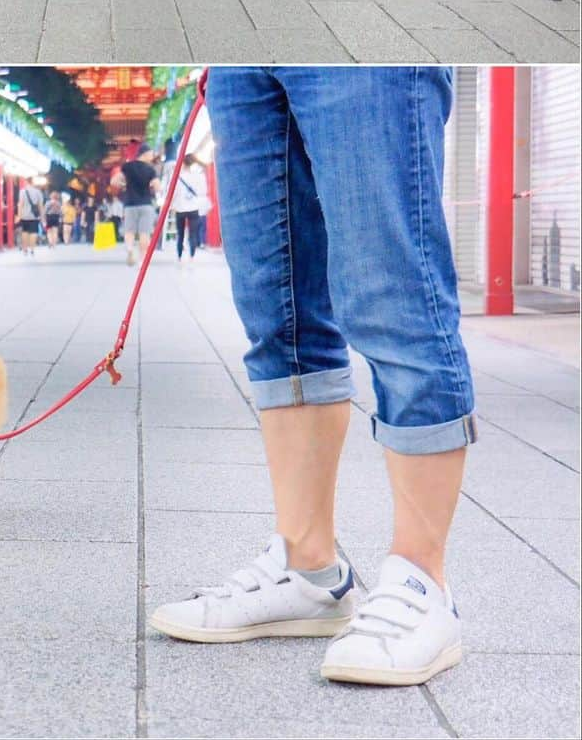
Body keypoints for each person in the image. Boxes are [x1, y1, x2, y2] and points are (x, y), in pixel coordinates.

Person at [151, 66, 476, 689]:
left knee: (395, 297)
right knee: (278, 313)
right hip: (241, 63)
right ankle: (309, 569)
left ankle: (422, 580)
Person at [115, 144, 158, 266]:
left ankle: (129, 248)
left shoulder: (127, 167)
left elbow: (115, 181)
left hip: (130, 203)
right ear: (145, 154)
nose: (152, 156)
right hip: (146, 204)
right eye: (151, 153)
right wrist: (152, 188)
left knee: (129, 231)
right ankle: (142, 260)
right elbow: (157, 186)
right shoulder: (150, 170)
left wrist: (124, 185)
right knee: (144, 232)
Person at [171, 155, 207, 265]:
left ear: (183, 163)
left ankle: (179, 256)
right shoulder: (200, 176)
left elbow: (173, 192)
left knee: (180, 233)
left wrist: (172, 205)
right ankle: (192, 256)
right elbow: (203, 192)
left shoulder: (178, 176)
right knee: (193, 233)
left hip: (180, 207)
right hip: (194, 207)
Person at [17, 178, 45, 255]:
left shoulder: (22, 192)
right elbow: (40, 205)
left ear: (26, 182)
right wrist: (42, 217)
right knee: (34, 232)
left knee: (25, 231)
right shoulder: (38, 192)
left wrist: (19, 215)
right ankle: (32, 249)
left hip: (24, 215)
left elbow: (20, 204)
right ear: (33, 183)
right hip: (34, 216)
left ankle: (25, 249)